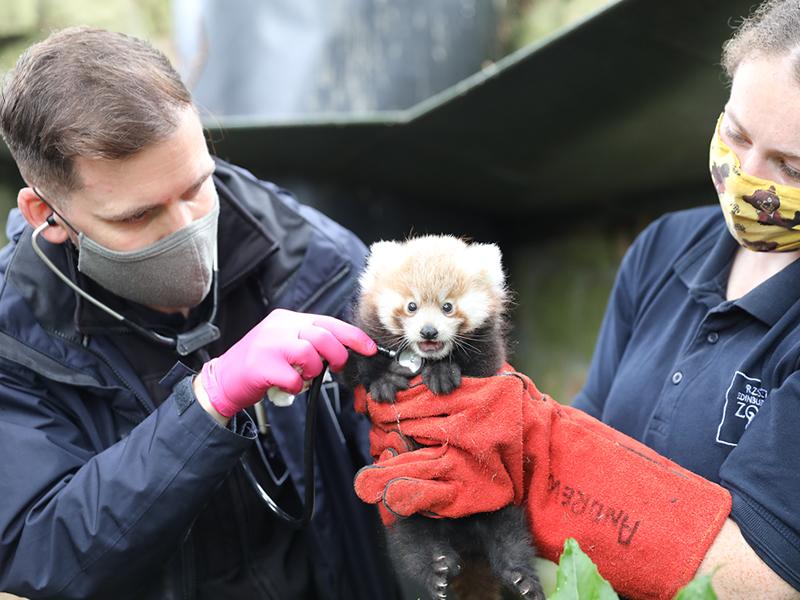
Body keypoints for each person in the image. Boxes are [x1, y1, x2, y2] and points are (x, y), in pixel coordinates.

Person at [352, 1, 800, 598]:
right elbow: (596, 423)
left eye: (790, 167)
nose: (745, 175)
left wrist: (537, 452)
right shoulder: (664, 248)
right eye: (737, 134)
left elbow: (768, 583)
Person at [0, 27, 400, 600]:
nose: (185, 230)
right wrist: (208, 405)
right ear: (48, 212)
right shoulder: (15, 339)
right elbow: (36, 554)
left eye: (196, 186)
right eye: (137, 217)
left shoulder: (316, 260)